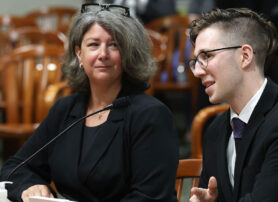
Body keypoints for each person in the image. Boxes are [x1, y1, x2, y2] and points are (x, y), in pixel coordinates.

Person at [0, 3, 179, 202]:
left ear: (128, 54)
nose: (103, 54)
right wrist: (28, 187)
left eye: (114, 45)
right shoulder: (65, 109)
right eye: (93, 45)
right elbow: (15, 168)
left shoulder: (151, 114)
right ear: (79, 53)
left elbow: (149, 197)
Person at [187, 8, 278, 202]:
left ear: (245, 56)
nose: (197, 71)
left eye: (207, 56)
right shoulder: (215, 130)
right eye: (196, 61)